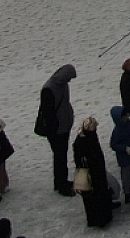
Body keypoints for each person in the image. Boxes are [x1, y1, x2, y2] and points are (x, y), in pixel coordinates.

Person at [36, 66, 76, 197]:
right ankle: (61, 184)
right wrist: (57, 127)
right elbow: (48, 113)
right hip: (57, 129)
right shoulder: (49, 89)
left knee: (61, 155)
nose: (69, 81)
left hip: (63, 126)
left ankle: (60, 181)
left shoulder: (61, 85)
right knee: (60, 156)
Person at [70, 118, 112, 227]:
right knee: (96, 195)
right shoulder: (86, 140)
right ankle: (101, 218)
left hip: (92, 172)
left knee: (93, 196)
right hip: (92, 173)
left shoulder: (83, 138)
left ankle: (98, 217)